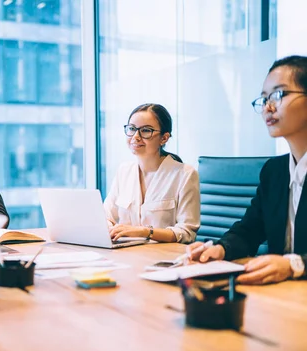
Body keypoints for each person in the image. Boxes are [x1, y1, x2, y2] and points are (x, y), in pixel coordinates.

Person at [188, 55, 307, 284]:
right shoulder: (275, 171)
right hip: (282, 297)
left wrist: (295, 264)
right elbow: (249, 230)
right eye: (263, 99)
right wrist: (220, 249)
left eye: (278, 94)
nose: (268, 107)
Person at [103, 103, 200, 244]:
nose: (135, 136)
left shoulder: (185, 174)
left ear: (164, 138)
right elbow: (106, 216)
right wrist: (108, 228)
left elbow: (186, 232)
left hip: (163, 257)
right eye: (132, 129)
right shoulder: (124, 171)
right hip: (127, 253)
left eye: (146, 131)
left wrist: (145, 232)